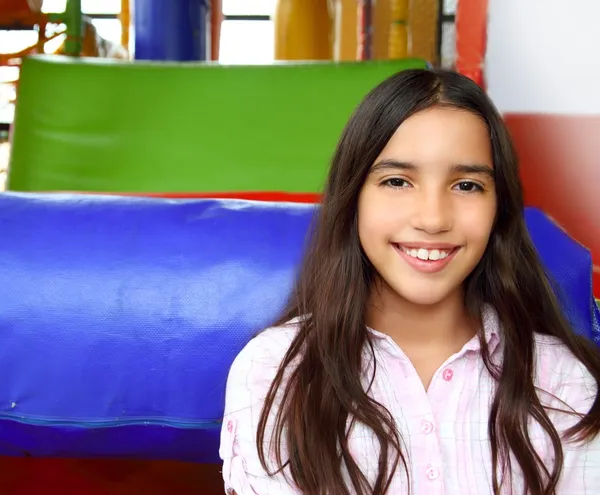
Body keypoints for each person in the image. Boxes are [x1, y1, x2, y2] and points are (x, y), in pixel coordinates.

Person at [219, 69, 600, 494]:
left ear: (499, 209)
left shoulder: (562, 381)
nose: (432, 219)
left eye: (467, 185)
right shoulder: (276, 371)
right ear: (353, 198)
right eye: (397, 181)